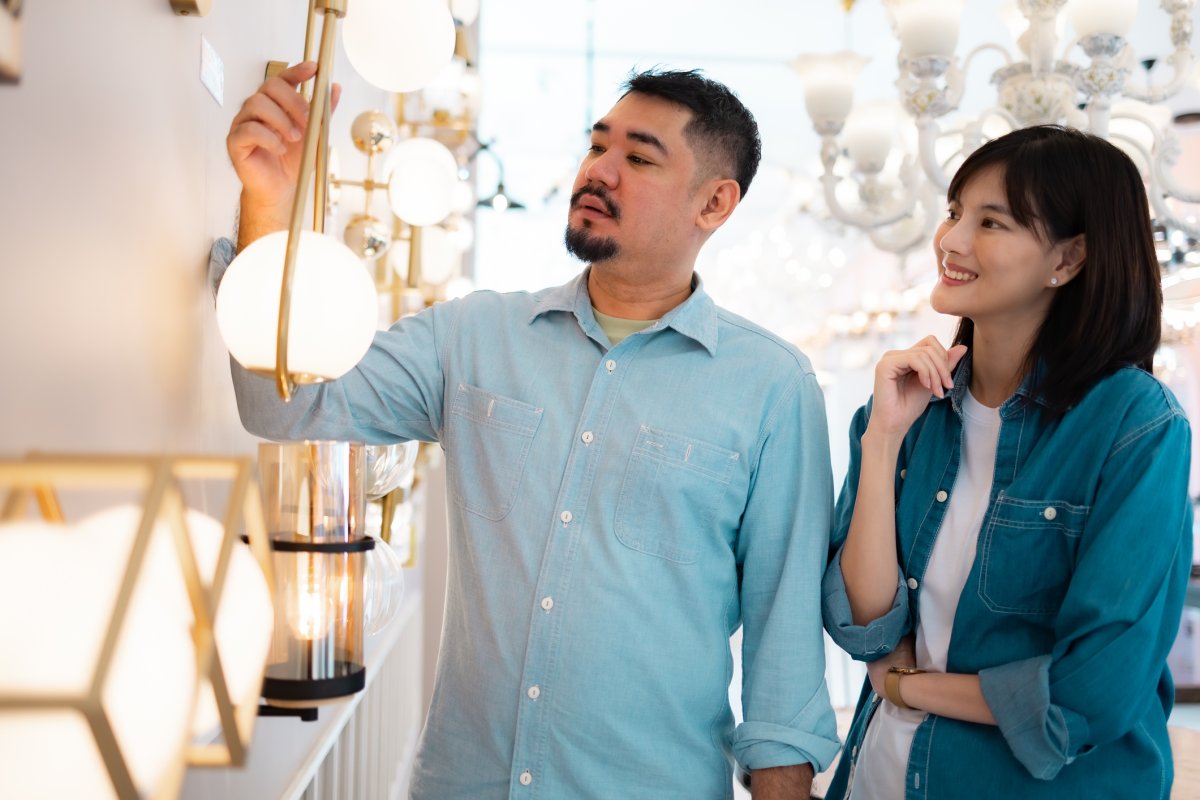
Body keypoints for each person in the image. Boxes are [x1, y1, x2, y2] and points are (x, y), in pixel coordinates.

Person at [215, 61, 840, 799]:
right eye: (596, 145)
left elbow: (785, 653)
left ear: (714, 203)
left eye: (638, 158)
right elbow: (286, 404)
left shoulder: (771, 386)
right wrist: (269, 211)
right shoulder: (473, 337)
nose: (599, 170)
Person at [821, 124, 1193, 799]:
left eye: (991, 222)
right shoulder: (911, 409)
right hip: (877, 778)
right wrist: (882, 442)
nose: (952, 241)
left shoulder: (1134, 425)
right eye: (956, 212)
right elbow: (862, 624)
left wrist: (911, 686)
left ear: (1070, 258)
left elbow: (1091, 693)